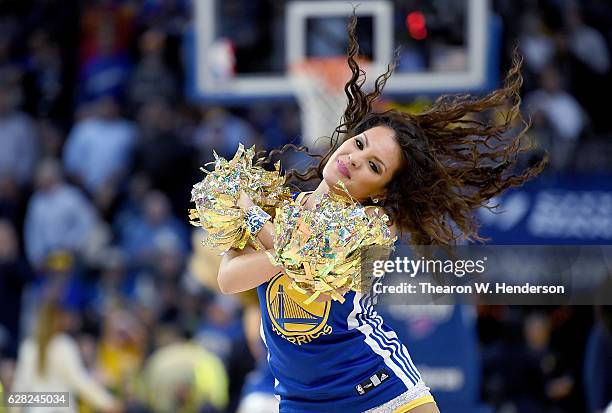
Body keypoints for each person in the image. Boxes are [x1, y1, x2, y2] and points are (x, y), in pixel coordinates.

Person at [216, 14, 546, 413]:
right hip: (303, 403)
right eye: (359, 145)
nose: (354, 160)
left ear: (382, 192)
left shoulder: (372, 229)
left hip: (380, 394)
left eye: (374, 167)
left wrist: (251, 215)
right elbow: (229, 278)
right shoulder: (278, 207)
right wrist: (273, 239)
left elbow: (305, 257)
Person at [11, 299, 122, 413]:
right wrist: (108, 402)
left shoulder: (28, 347)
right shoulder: (63, 345)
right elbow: (80, 381)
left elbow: (19, 387)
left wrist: (13, 410)